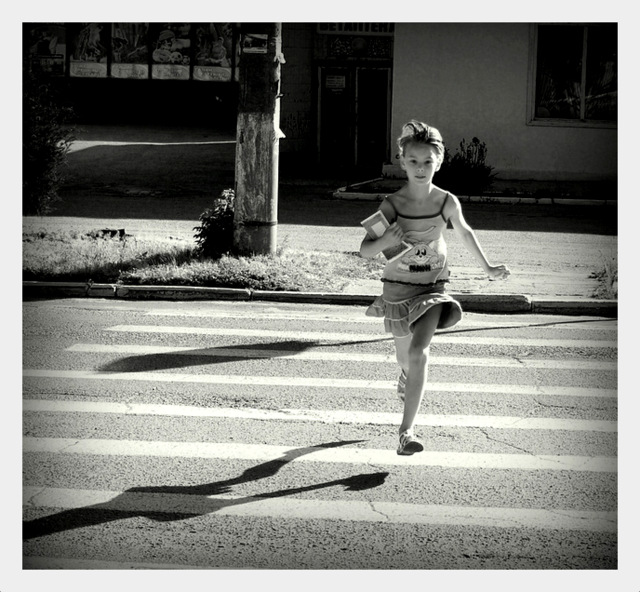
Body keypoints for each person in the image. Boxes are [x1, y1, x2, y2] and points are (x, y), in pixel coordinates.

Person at [360, 120, 510, 455]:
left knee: (419, 353)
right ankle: (405, 376)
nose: (420, 168)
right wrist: (384, 239)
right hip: (398, 289)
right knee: (405, 358)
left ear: (438, 162)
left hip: (433, 289)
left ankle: (406, 432)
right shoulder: (392, 204)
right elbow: (365, 251)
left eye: (428, 161)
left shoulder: (446, 201)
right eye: (413, 161)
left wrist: (488, 268)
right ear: (402, 162)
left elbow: (465, 232)